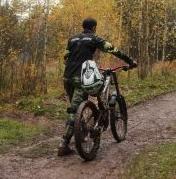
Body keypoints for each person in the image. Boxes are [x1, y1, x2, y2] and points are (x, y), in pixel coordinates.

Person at [58, 18, 137, 156]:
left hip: (67, 77)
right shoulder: (94, 38)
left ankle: (80, 132)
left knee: (75, 109)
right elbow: (112, 49)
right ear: (94, 27)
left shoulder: (72, 39)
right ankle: (63, 144)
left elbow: (65, 57)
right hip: (80, 77)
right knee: (74, 111)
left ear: (83, 27)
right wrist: (130, 61)